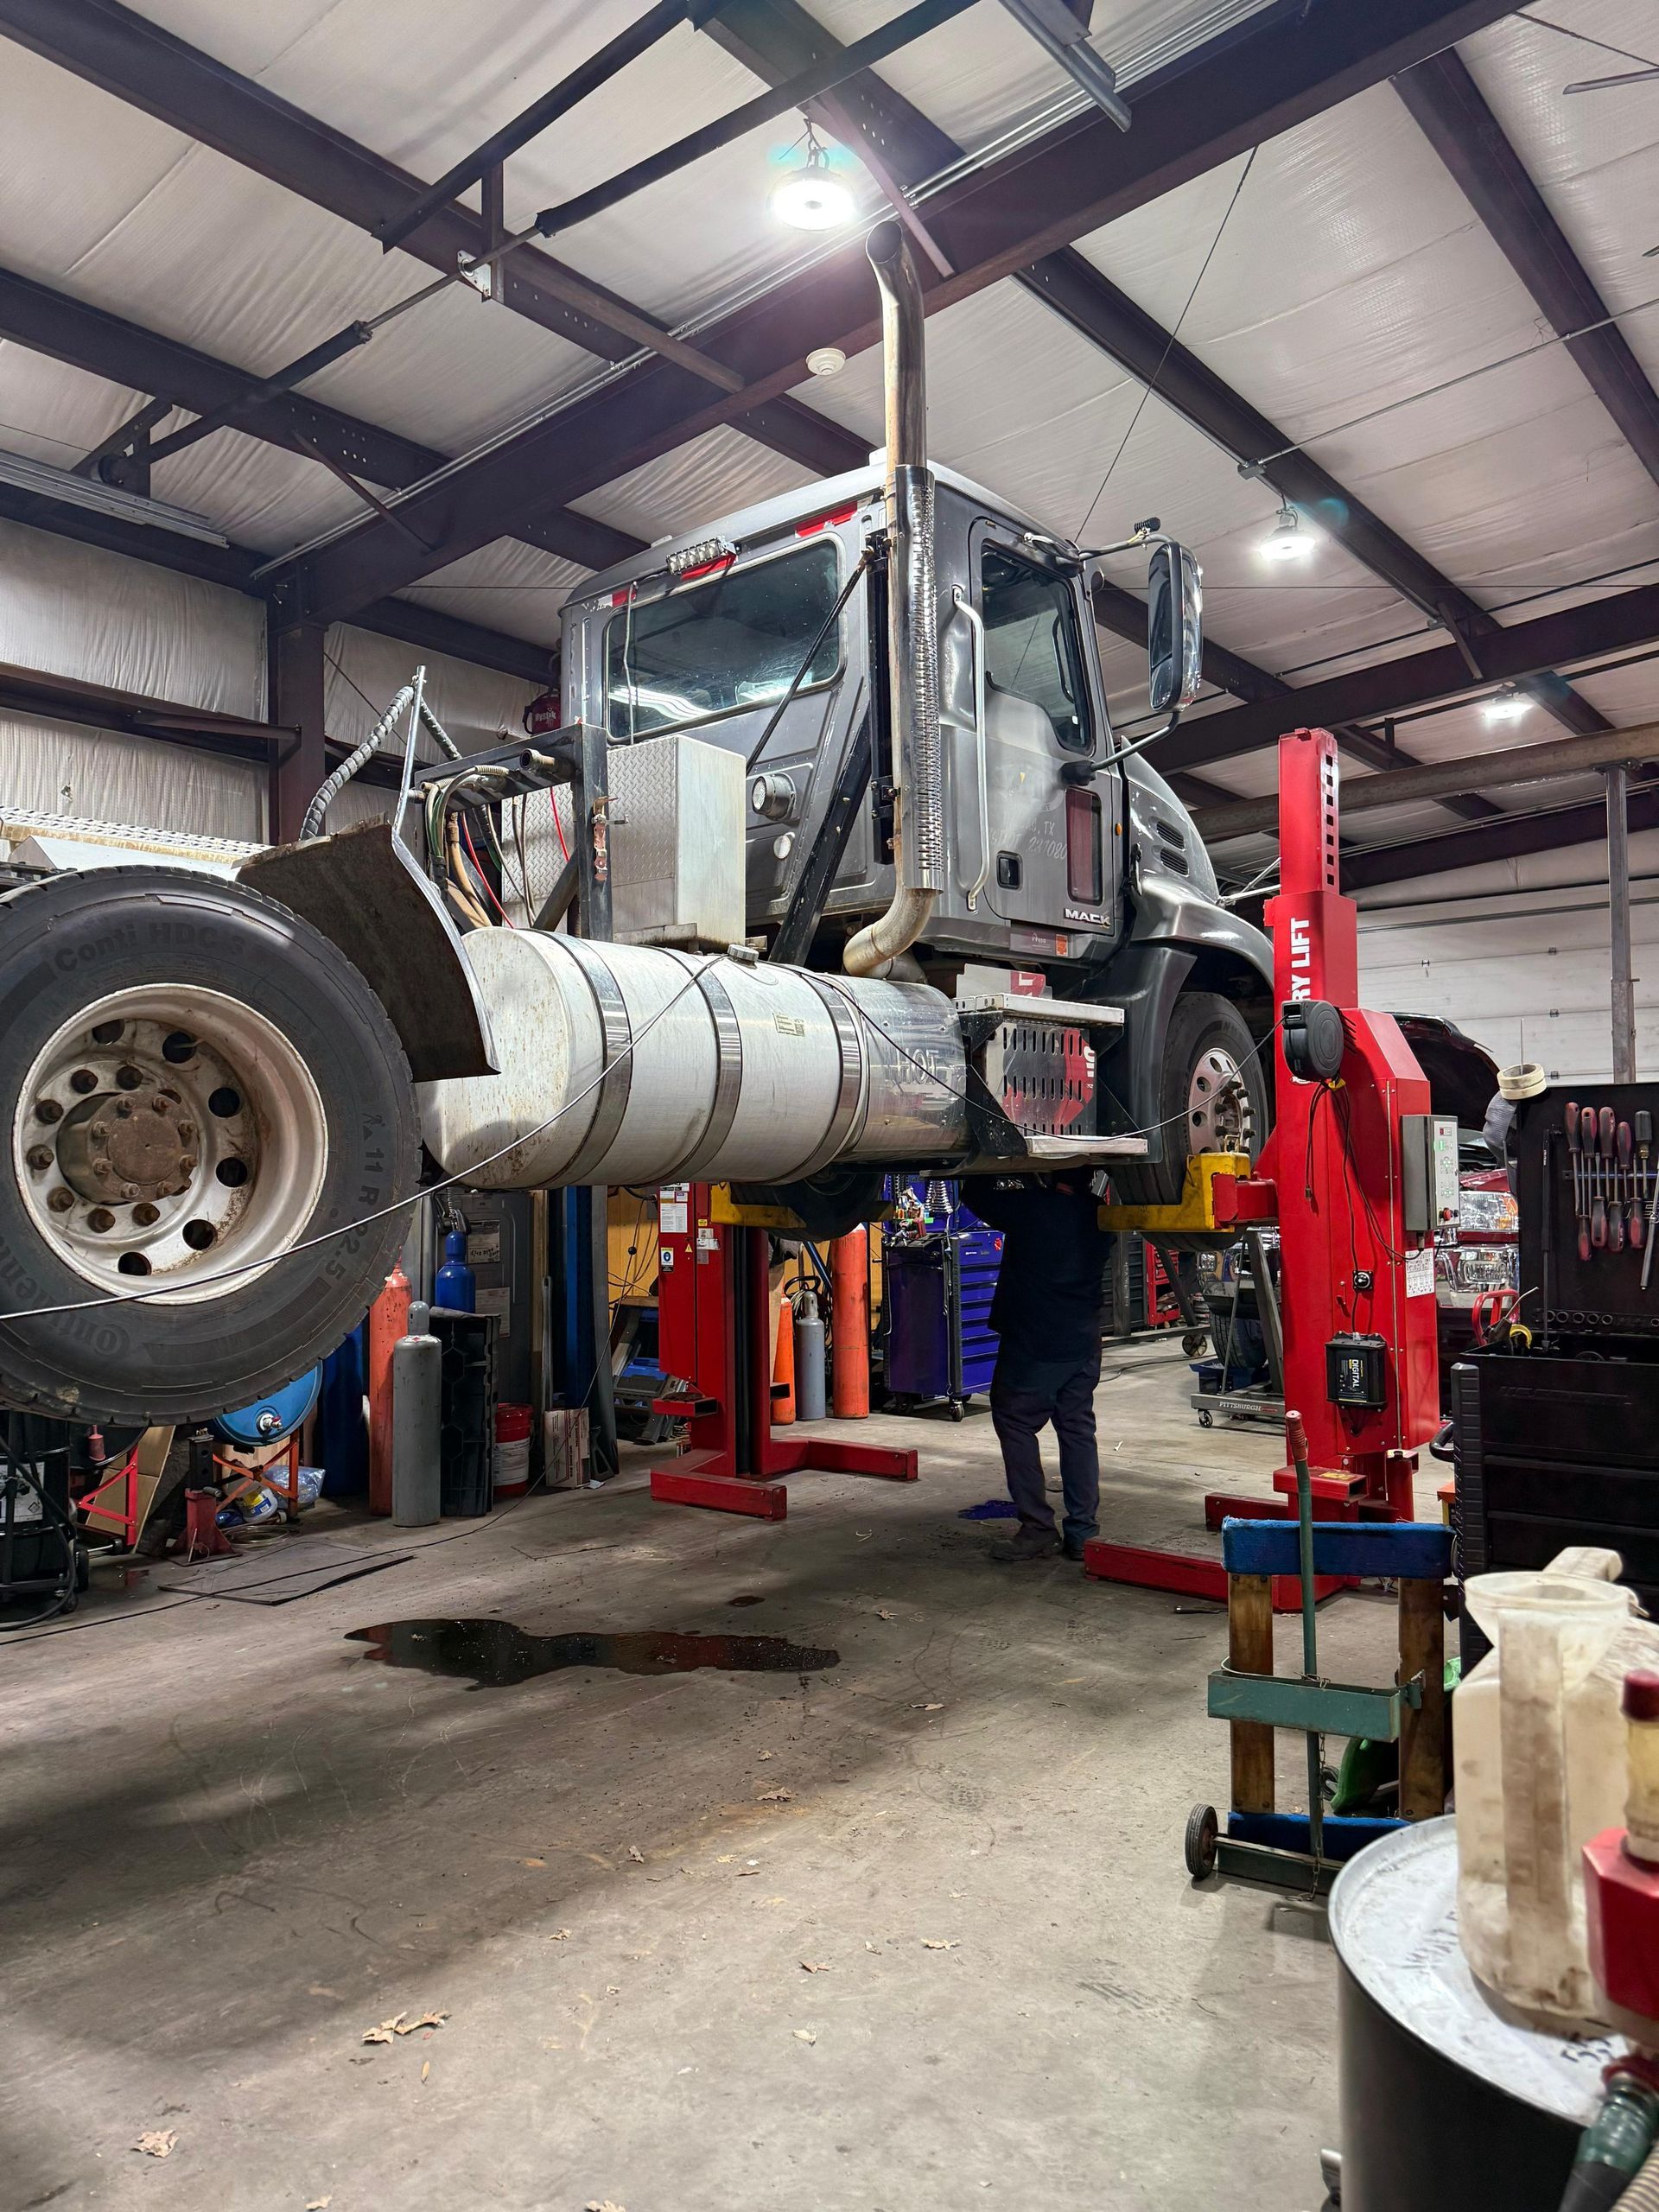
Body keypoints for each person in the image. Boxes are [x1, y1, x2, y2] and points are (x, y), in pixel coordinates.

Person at [969, 1173, 1114, 1563]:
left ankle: (1037, 1527)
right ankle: (1083, 1532)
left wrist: (1009, 1171)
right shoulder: (1099, 1216)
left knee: (1013, 1419)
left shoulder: (1030, 1208)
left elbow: (974, 1191)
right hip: (1083, 1342)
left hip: (1036, 1341)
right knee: (1077, 1426)